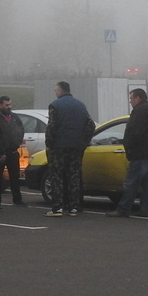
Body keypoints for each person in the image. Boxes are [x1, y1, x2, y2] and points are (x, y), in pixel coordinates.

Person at [44, 81, 95, 217]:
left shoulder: (55, 105)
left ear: (60, 91)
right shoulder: (81, 105)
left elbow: (52, 126)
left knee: (57, 177)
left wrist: (48, 143)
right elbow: (90, 125)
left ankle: (57, 208)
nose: (55, 94)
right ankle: (74, 207)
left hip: (58, 147)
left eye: (56, 91)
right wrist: (84, 141)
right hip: (76, 147)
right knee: (74, 176)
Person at [107, 88, 148, 218]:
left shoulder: (140, 111)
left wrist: (129, 145)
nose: (130, 101)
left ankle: (123, 209)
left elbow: (137, 132)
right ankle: (146, 209)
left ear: (138, 98)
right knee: (147, 183)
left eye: (131, 98)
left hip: (139, 153)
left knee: (131, 182)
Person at [0, 96, 27, 206]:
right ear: (0, 105)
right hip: (1, 152)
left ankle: (17, 199)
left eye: (10, 104)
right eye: (6, 105)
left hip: (13, 152)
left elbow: (21, 129)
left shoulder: (15, 117)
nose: (9, 107)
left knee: (15, 177)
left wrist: (18, 141)